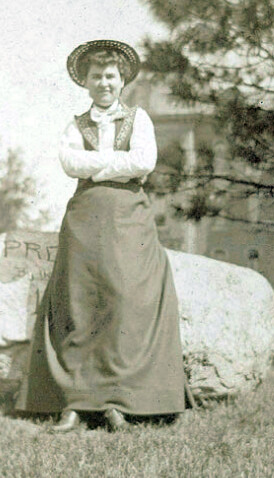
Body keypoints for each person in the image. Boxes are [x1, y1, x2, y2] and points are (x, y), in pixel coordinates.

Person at [15, 40, 191, 432]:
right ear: (86, 82)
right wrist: (118, 165)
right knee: (79, 304)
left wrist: (97, 166)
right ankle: (75, 404)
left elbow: (144, 160)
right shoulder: (74, 125)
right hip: (84, 221)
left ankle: (120, 403)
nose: (104, 83)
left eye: (110, 76)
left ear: (122, 79)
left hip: (129, 220)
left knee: (126, 300)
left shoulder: (139, 120)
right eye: (97, 76)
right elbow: (69, 162)